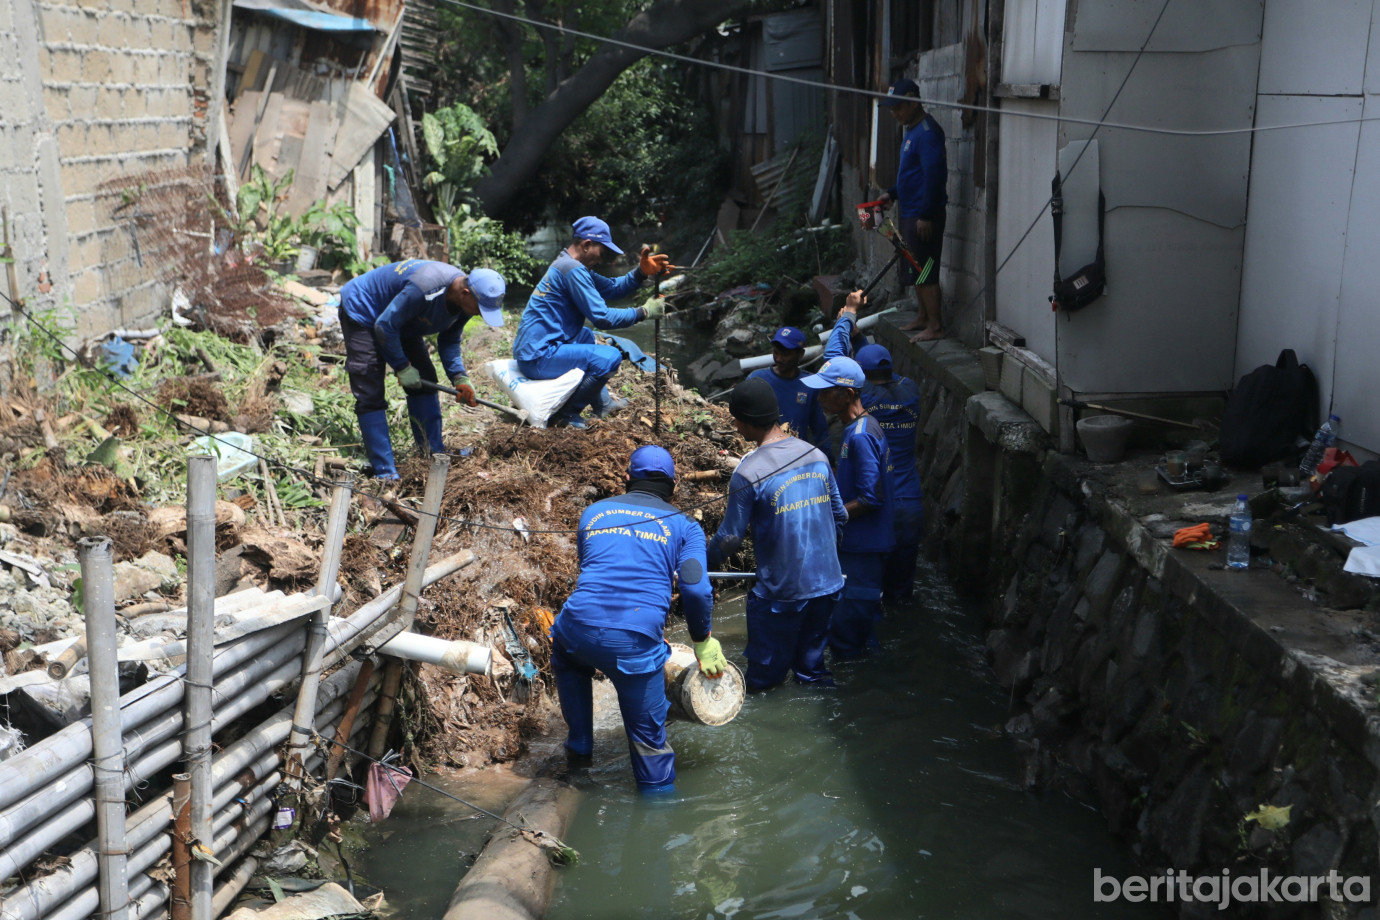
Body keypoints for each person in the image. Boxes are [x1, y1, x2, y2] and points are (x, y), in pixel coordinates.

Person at [549, 446, 725, 794]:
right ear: (673, 486)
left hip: (573, 630)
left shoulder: (594, 512)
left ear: (627, 479)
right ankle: (657, 808)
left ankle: (579, 754)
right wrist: (702, 640)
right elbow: (696, 591)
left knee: (569, 662)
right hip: (632, 641)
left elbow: (593, 571)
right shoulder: (686, 525)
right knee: (650, 750)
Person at [707, 378, 846, 691]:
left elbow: (729, 538)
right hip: (827, 587)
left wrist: (703, 567)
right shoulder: (816, 455)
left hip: (781, 594)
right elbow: (840, 515)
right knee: (812, 673)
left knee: (764, 681)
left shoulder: (749, 471)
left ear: (742, 422)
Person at [339, 259, 506, 479]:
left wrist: (459, 377)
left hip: (402, 321)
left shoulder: (465, 303)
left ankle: (432, 454)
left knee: (425, 381)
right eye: (481, 309)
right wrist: (402, 367)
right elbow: (384, 326)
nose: (480, 314)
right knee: (370, 388)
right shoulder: (426, 287)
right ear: (465, 292)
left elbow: (449, 339)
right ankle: (385, 473)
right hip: (365, 309)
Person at [513, 216, 672, 429]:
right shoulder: (573, 270)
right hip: (539, 357)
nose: (602, 260)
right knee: (610, 357)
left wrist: (641, 273)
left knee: (586, 336)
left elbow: (613, 287)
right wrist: (643, 312)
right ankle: (567, 414)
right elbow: (602, 318)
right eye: (602, 253)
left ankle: (603, 404)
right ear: (587, 245)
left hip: (533, 352)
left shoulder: (568, 264)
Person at [824, 293, 924, 602]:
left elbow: (834, 357)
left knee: (863, 589)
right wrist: (861, 336)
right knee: (899, 590)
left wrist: (849, 315)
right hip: (909, 504)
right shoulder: (910, 390)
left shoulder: (863, 404)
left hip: (878, 509)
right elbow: (876, 367)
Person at [800, 356, 894, 659]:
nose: (821, 397)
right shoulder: (858, 428)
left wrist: (826, 516)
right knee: (859, 630)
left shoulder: (862, 435)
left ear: (849, 393)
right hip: (859, 546)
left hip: (862, 550)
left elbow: (871, 497)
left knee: (847, 637)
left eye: (827, 391)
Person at [877, 77, 947, 343]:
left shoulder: (928, 133)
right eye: (892, 109)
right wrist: (892, 194)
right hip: (910, 212)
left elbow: (933, 175)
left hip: (922, 215)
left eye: (898, 108)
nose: (894, 113)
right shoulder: (911, 131)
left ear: (913, 103)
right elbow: (911, 175)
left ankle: (936, 326)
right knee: (917, 268)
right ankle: (922, 317)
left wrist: (926, 214)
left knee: (926, 269)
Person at [747, 326, 831, 456]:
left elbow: (819, 428)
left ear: (801, 354)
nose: (779, 358)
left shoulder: (810, 384)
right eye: (776, 352)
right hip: (761, 454)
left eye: (785, 354)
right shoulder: (756, 379)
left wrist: (829, 460)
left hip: (796, 456)